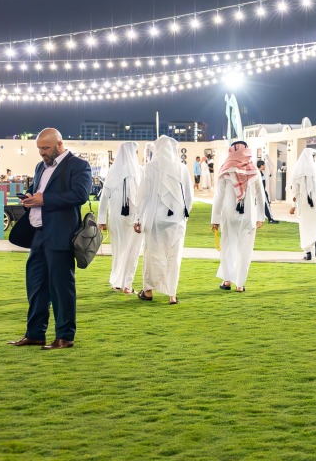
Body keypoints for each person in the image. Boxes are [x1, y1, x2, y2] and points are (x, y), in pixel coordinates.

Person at [10, 128, 92, 349]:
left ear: (59, 144)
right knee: (35, 286)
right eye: (39, 148)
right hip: (38, 235)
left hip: (61, 236)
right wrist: (29, 197)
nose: (41, 153)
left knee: (61, 288)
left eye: (45, 148)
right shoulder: (40, 166)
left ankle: (65, 336)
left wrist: (44, 199)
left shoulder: (79, 165)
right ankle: (35, 334)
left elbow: (80, 195)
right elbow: (36, 190)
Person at [134, 136, 193, 304]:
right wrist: (184, 215)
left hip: (155, 218)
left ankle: (148, 291)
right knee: (174, 257)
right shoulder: (181, 168)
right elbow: (189, 196)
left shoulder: (151, 167)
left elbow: (143, 194)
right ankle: (171, 295)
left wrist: (138, 218)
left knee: (152, 254)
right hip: (177, 218)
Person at [212, 141, 265, 292]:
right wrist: (260, 216)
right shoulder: (253, 170)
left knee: (228, 247)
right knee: (245, 249)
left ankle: (227, 280)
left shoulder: (225, 170)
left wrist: (215, 219)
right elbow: (261, 196)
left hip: (229, 215)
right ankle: (240, 284)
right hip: (249, 215)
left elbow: (218, 197)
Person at [97, 141, 143, 294]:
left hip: (117, 218)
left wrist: (101, 220)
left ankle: (118, 282)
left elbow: (104, 197)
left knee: (119, 250)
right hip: (135, 218)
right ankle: (126, 285)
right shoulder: (140, 171)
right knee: (132, 251)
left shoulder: (113, 171)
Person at [289, 147, 316, 260]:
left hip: (304, 202)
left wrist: (293, 206)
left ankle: (307, 252)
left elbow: (295, 191)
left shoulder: (298, 171)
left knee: (305, 225)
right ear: (312, 157)